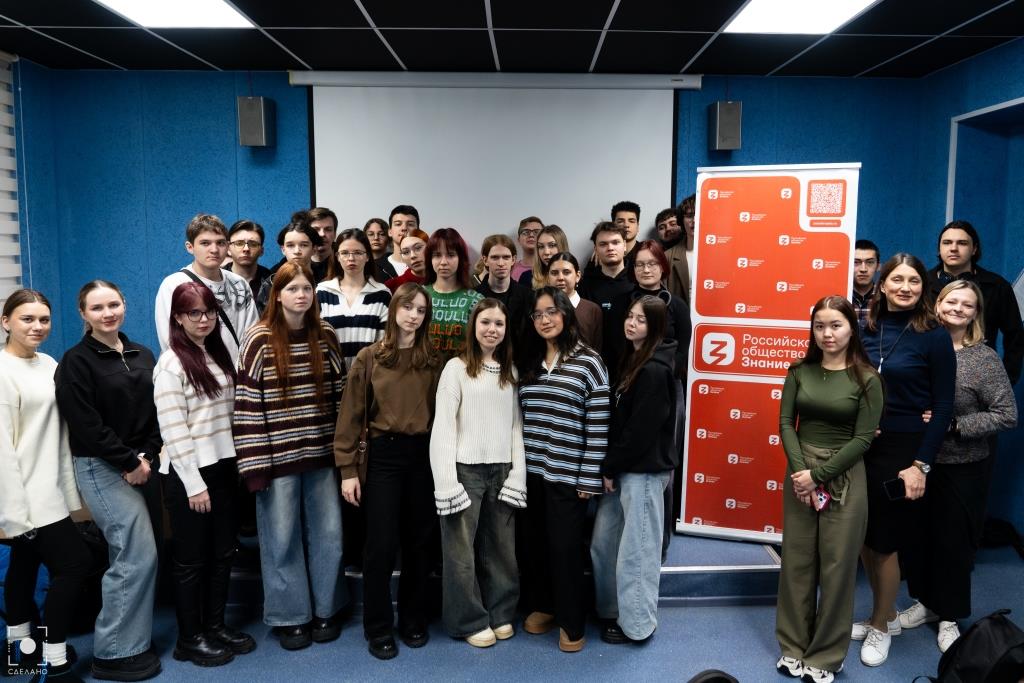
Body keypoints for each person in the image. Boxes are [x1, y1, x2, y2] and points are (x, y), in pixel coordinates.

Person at [233, 262, 348, 651]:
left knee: (328, 535)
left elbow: (340, 395)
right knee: (281, 540)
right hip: (276, 459)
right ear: (277, 295)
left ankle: (326, 609)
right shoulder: (258, 338)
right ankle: (291, 616)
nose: (301, 295)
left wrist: (345, 456)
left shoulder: (325, 334)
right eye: (293, 289)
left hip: (322, 456)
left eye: (307, 288)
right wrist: (254, 467)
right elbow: (247, 407)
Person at [899, 280, 1016, 654]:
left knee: (953, 543)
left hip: (962, 466)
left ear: (976, 313)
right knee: (918, 539)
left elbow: (1006, 414)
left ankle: (948, 616)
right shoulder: (917, 345)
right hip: (917, 461)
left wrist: (954, 424)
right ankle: (926, 603)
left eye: (967, 304)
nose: (958, 308)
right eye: (952, 301)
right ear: (938, 304)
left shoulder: (983, 359)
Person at [56, 280, 164, 681]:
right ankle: (114, 653)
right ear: (83, 314)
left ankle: (131, 640)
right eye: (97, 308)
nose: (108, 313)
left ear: (124, 305)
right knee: (135, 553)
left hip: (142, 463)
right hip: (100, 465)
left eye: (114, 304)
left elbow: (157, 412)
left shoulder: (142, 354)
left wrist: (146, 456)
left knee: (144, 552)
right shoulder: (76, 362)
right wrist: (127, 460)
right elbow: (85, 424)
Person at [854, 253, 956, 668]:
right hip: (863, 445)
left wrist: (921, 465)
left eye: (914, 281)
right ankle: (888, 614)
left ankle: (880, 625)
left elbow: (944, 405)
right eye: (897, 280)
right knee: (864, 536)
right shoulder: (865, 327)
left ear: (923, 288)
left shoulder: (934, 335)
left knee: (885, 541)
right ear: (882, 285)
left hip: (904, 450)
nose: (905, 288)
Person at [774, 296, 883, 683]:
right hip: (800, 476)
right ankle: (793, 647)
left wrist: (818, 476)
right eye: (819, 326)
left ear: (852, 328)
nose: (827, 333)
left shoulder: (867, 379)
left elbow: (864, 439)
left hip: (845, 479)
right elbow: (786, 424)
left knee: (837, 568)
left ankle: (825, 656)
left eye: (835, 325)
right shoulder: (799, 371)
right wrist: (801, 473)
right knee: (797, 563)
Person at [334, 283, 444, 660]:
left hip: (423, 456)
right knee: (380, 545)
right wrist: (348, 469)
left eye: (421, 311)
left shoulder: (434, 361)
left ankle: (413, 619)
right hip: (383, 455)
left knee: (419, 543)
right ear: (394, 309)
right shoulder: (370, 358)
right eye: (408, 307)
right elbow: (350, 415)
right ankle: (378, 626)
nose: (413, 316)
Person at [154, 282, 255, 667]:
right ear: (178, 318)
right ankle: (190, 638)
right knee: (191, 561)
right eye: (193, 313)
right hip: (189, 475)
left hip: (224, 469)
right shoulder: (171, 364)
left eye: (209, 312)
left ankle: (214, 627)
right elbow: (173, 429)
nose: (203, 319)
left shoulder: (217, 354)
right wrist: (194, 485)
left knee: (222, 554)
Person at [1, 289, 91, 682]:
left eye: (44, 319)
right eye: (27, 319)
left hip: (49, 486)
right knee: (74, 565)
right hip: (24, 493)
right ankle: (53, 660)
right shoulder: (2, 371)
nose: (37, 326)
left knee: (24, 569)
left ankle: (19, 653)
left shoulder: (49, 363)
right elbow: (2, 451)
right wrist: (14, 513)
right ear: (6, 322)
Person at [429, 298, 527, 648]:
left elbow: (516, 427)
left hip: (501, 470)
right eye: (485, 322)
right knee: (460, 552)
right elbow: (443, 427)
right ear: (473, 326)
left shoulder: (510, 371)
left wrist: (518, 474)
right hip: (464, 471)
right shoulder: (455, 368)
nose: (491, 329)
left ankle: (501, 613)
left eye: (498, 324)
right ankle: (468, 620)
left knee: (501, 549)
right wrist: (446, 482)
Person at [517, 287, 609, 653]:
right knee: (534, 546)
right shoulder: (529, 360)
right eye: (537, 315)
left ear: (565, 314)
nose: (545, 320)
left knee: (565, 550)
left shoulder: (589, 361)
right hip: (532, 472)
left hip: (569, 476)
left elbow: (599, 424)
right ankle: (543, 606)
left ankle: (572, 621)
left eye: (551, 312)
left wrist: (589, 476)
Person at [591, 295, 678, 647]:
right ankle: (613, 611)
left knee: (637, 552)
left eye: (641, 320)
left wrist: (611, 466)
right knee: (604, 544)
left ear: (655, 326)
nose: (631, 323)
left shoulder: (655, 370)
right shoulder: (633, 360)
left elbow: (640, 431)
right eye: (630, 316)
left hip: (642, 472)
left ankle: (638, 625)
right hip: (622, 469)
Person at [927, 219, 1023, 384]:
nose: (953, 248)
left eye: (962, 243)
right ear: (939, 248)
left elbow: (1015, 336)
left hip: (979, 378)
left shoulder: (997, 286)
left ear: (974, 249)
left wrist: (1005, 379)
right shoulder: (921, 284)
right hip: (928, 375)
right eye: (947, 242)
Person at [155, 213, 259, 362]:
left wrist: (244, 369)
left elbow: (252, 335)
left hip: (239, 372)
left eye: (220, 243)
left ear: (227, 246)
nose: (214, 249)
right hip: (196, 371)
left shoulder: (239, 284)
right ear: (190, 247)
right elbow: (170, 339)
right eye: (205, 243)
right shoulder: (173, 284)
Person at [317, 228, 391, 370]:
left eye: (358, 253)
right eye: (345, 253)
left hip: (368, 376)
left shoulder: (382, 294)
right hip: (330, 375)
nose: (351, 258)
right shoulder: (322, 291)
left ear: (367, 256)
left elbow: (385, 344)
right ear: (337, 256)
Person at [424, 227, 484, 358]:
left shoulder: (475, 300)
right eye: (437, 255)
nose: (443, 262)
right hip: (423, 368)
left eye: (451, 255)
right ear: (430, 259)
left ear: (460, 258)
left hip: (462, 368)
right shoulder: (420, 296)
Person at [255, 220, 323, 314]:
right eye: (290, 245)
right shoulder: (271, 283)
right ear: (283, 249)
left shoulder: (326, 279)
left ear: (314, 249)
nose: (297, 251)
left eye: (304, 245)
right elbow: (265, 318)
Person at [544, 251, 603, 352]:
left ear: (578, 276)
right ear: (548, 277)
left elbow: (597, 348)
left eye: (566, 272)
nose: (560, 278)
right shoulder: (541, 310)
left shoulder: (592, 310)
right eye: (554, 273)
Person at [475, 234, 531, 333]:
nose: (501, 263)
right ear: (485, 260)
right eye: (495, 257)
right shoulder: (473, 296)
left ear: (513, 260)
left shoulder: (527, 295)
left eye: (506, 257)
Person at [225, 219, 271, 298]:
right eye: (239, 243)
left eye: (253, 244)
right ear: (228, 249)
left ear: (261, 251)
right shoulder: (216, 279)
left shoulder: (272, 281)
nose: (246, 249)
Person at [665, 194, 696, 304]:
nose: (695, 220)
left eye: (700, 214)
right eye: (690, 215)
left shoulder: (724, 254)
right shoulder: (668, 256)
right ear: (681, 221)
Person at [519, 225, 570, 289]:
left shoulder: (574, 277)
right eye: (541, 247)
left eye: (552, 245)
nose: (546, 252)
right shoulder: (527, 277)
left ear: (562, 246)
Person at [376, 205, 418, 281]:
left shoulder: (429, 266)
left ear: (418, 231)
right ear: (390, 232)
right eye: (398, 224)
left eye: (410, 224)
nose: (404, 228)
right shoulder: (374, 268)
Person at [852, 239, 881, 324]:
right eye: (856, 262)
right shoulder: (839, 298)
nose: (863, 269)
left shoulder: (886, 298)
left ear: (878, 266)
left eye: (870, 262)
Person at [307, 207, 339, 280]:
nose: (322, 234)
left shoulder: (345, 261)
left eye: (328, 229)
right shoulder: (294, 262)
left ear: (335, 234)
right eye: (316, 229)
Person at [511, 216, 543, 283]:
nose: (531, 235)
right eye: (526, 232)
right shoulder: (510, 269)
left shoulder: (552, 268)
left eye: (536, 232)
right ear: (519, 240)